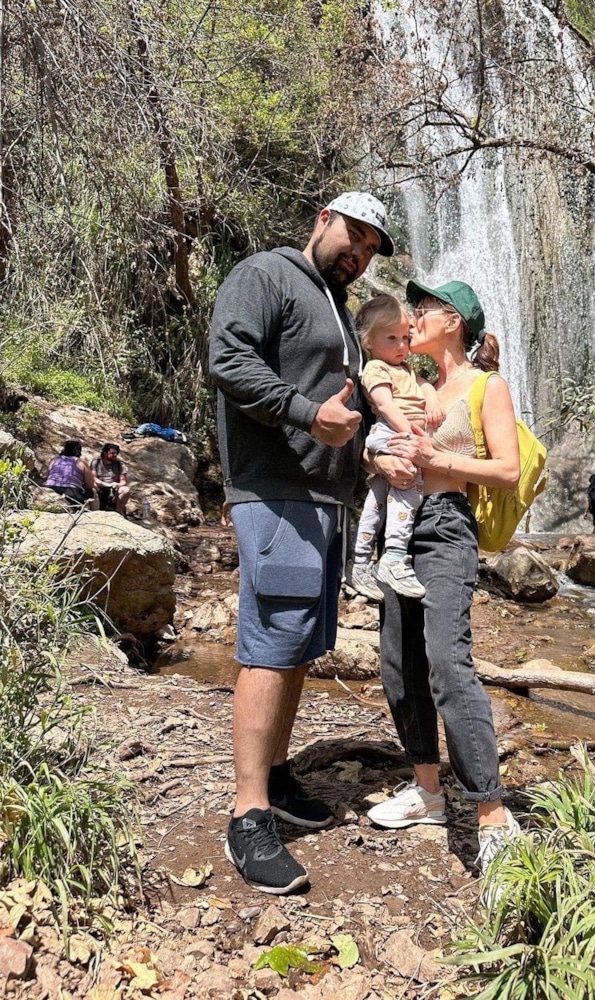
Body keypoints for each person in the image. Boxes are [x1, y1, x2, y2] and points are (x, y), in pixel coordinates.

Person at [208, 191, 397, 895]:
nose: (362, 252)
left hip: (323, 497)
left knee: (297, 643)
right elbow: (228, 361)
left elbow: (346, 409)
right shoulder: (267, 275)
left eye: (373, 248)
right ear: (324, 218)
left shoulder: (342, 313)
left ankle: (279, 777)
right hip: (275, 489)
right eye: (356, 235)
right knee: (272, 639)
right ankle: (248, 814)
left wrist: (380, 448)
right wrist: (303, 411)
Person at [365, 278, 522, 875]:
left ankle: (491, 814)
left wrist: (436, 460)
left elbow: (505, 470)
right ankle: (428, 790)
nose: (412, 320)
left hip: (447, 528)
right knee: (398, 661)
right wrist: (377, 456)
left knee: (448, 662)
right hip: (398, 526)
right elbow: (377, 438)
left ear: (453, 321)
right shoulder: (415, 385)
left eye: (424, 310)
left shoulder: (486, 385)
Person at [348, 294, 444, 602]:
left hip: (393, 433)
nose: (402, 346)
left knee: (377, 502)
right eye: (392, 338)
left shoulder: (404, 369)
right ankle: (393, 556)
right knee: (409, 490)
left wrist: (432, 398)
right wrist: (413, 433)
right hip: (391, 432)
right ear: (368, 342)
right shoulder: (376, 368)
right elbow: (385, 404)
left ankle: (360, 562)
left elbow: (425, 384)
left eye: (405, 337)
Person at [44, 440, 94, 508]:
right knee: (92, 492)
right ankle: (95, 513)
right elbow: (90, 485)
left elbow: (48, 476)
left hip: (51, 487)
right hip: (71, 492)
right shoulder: (81, 463)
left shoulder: (54, 459)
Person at [89, 443, 130, 516]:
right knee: (92, 487)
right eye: (112, 453)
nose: (115, 455)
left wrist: (118, 484)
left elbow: (123, 481)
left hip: (114, 490)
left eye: (116, 453)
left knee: (126, 490)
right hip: (100, 488)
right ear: (105, 453)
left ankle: (118, 512)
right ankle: (95, 514)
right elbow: (93, 477)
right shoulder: (96, 462)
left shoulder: (120, 464)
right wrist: (104, 484)